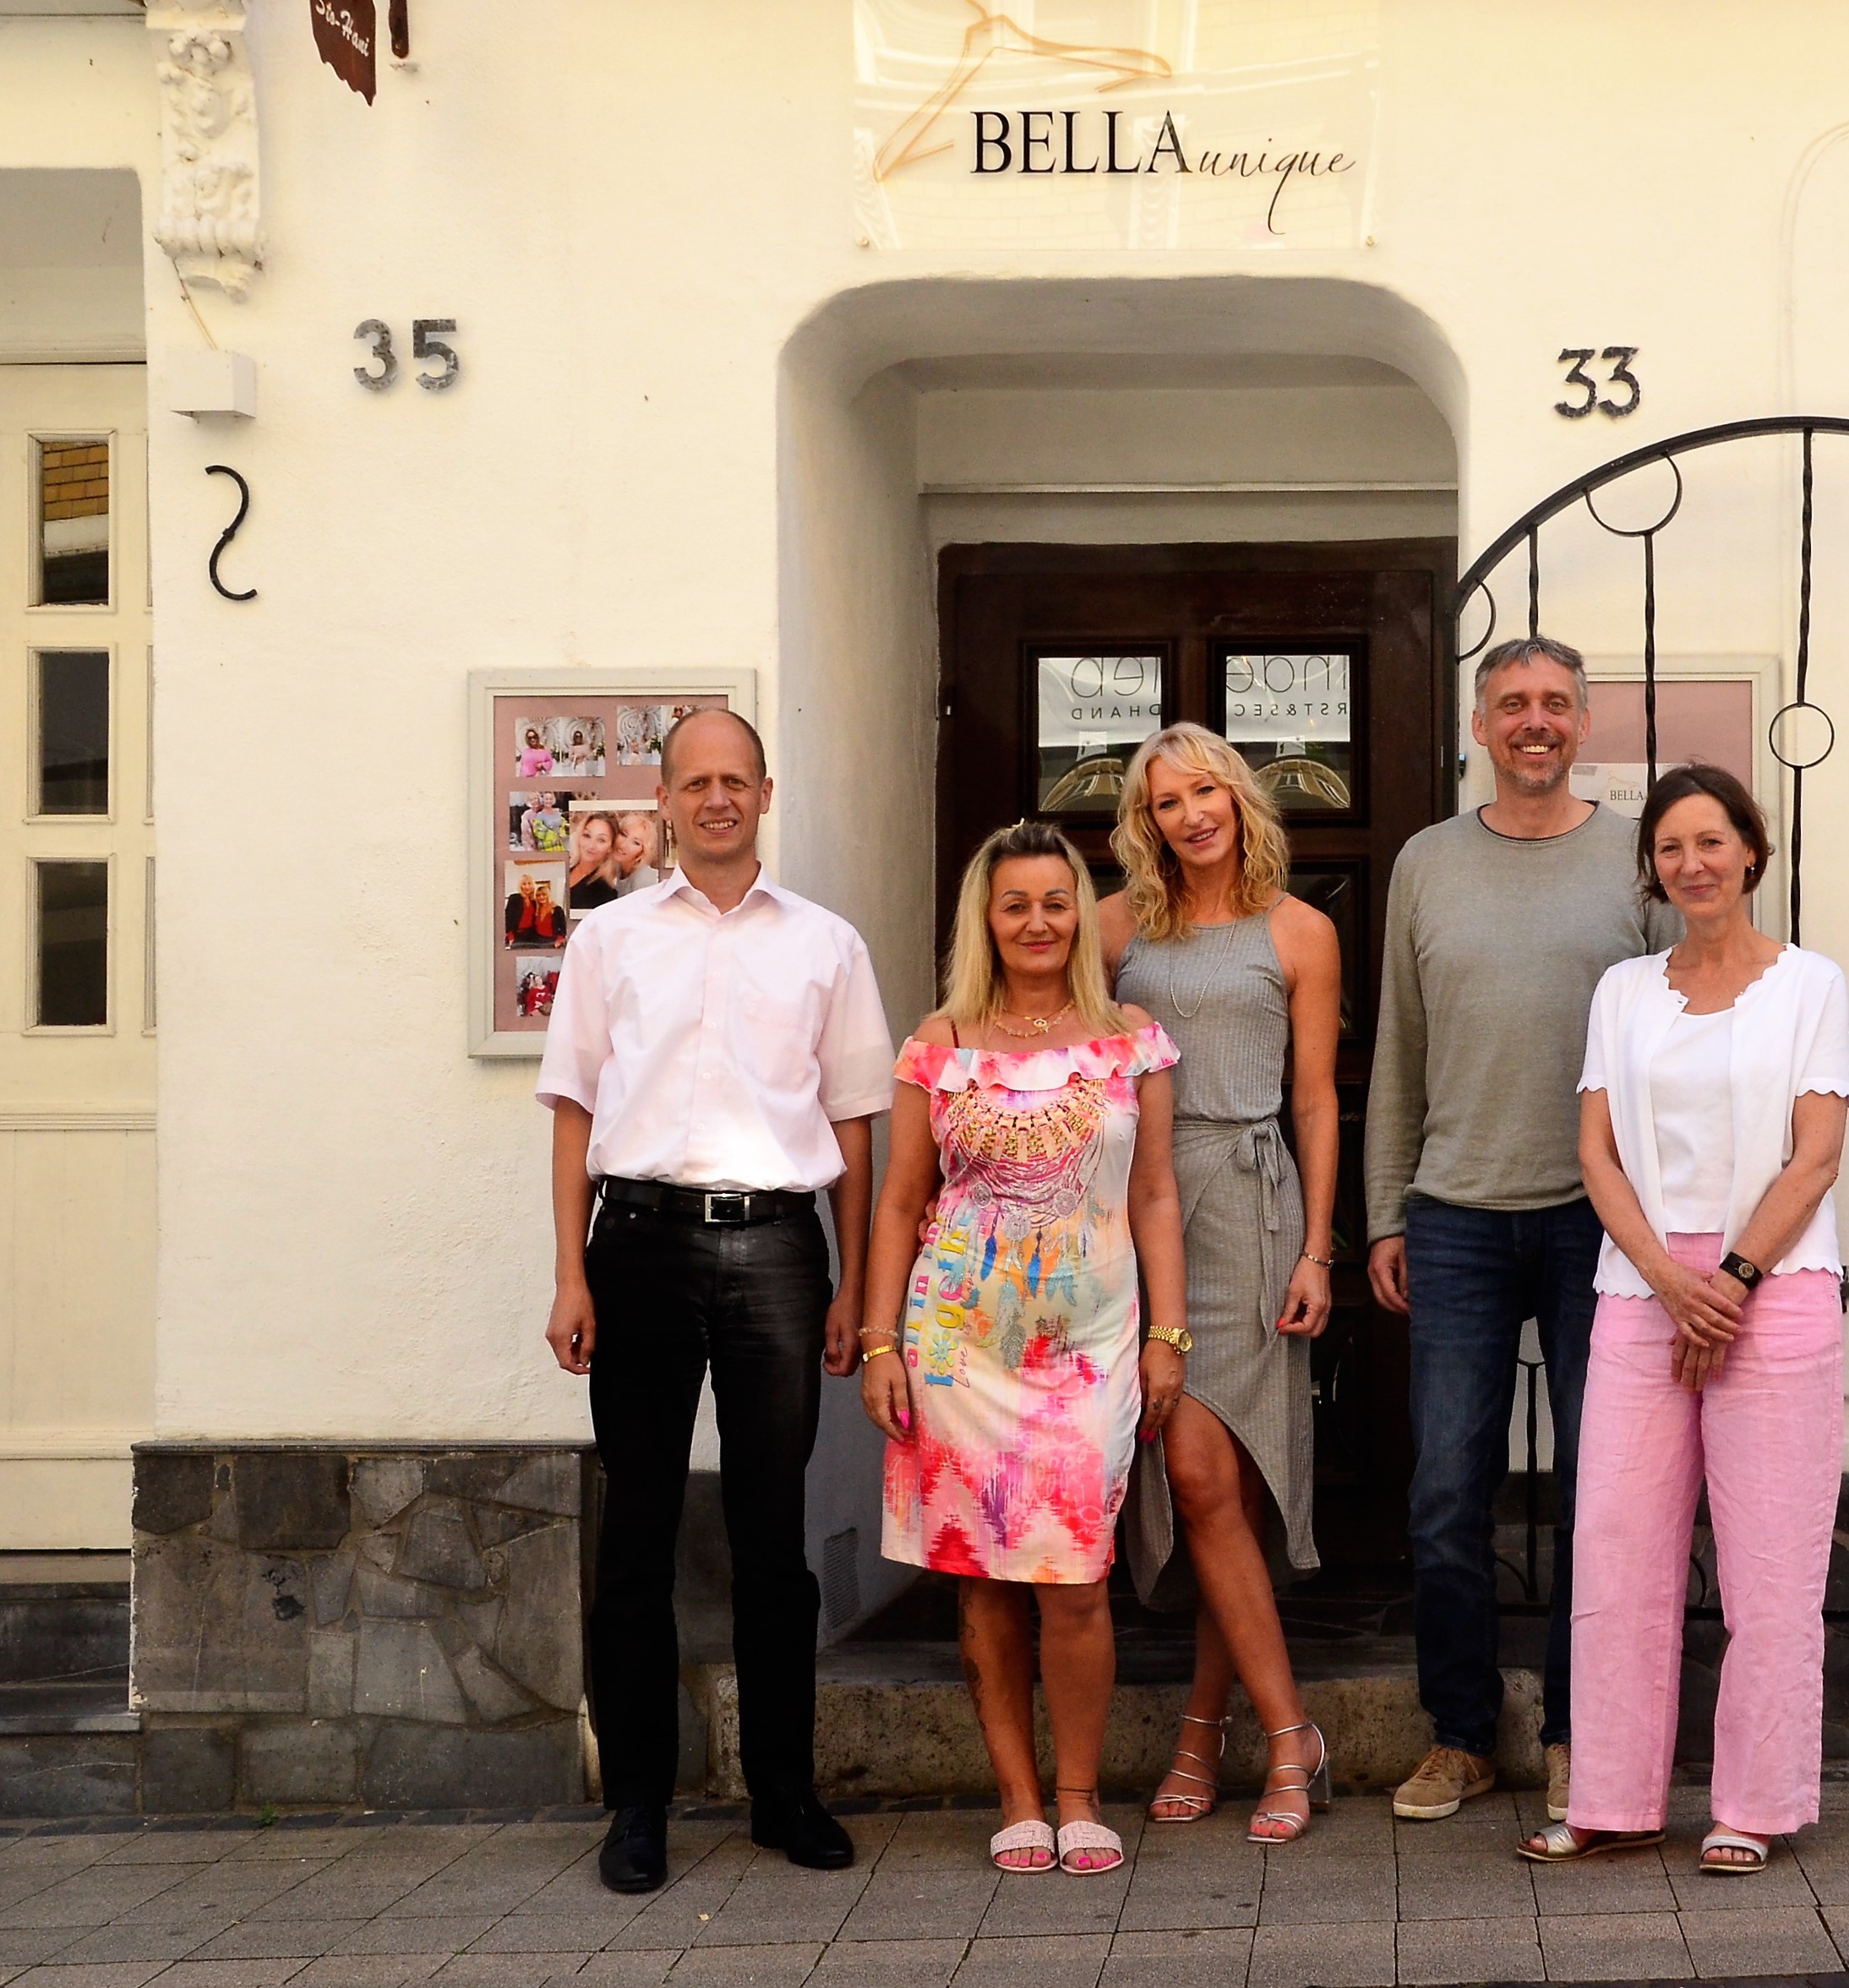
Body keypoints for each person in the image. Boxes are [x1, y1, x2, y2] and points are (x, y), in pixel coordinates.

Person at [536, 708, 892, 1893]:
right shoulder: (609, 938)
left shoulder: (826, 945)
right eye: (697, 782)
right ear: (668, 799)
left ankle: (782, 1790)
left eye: (736, 779)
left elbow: (854, 1119)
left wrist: (848, 1283)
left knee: (768, 1536)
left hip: (779, 1253)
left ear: (765, 792)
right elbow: (573, 1109)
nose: (718, 798)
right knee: (635, 1529)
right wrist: (568, 1270)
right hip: (634, 1243)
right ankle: (638, 1802)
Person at [1363, 635, 1680, 1824]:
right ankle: (1460, 1735)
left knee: (1600, 1492)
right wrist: (1385, 1209)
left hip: (1601, 1223)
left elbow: (1677, 1046)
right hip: (1452, 1216)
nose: (1534, 721)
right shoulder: (1424, 863)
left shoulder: (1633, 861)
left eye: (1554, 703)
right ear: (1481, 727)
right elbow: (1400, 1044)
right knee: (1447, 1491)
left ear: (1582, 721)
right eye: (1512, 704)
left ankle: (1577, 1735)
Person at [1519, 763, 1849, 1874]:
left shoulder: (1811, 985)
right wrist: (1671, 1281)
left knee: (1770, 1570)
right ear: (1653, 870)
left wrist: (1736, 1281)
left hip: (1777, 1294)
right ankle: (1613, 1801)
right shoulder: (1622, 991)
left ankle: (1752, 1807)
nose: (1692, 864)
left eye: (1711, 842)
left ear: (1750, 853)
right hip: (1642, 1293)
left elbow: (1816, 1156)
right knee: (1616, 1555)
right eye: (1670, 848)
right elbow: (1593, 1154)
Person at [857, 820, 1190, 1878]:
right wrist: (878, 1342)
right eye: (1015, 905)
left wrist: (1169, 1335)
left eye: (1055, 901)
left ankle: (1081, 1792)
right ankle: (1016, 1795)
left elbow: (1155, 1194)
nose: (1037, 921)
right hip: (957, 1346)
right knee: (984, 1577)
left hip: (1091, 1352)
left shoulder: (1131, 1036)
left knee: (1077, 1574)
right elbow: (900, 1198)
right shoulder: (939, 1041)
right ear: (986, 920)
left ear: (1077, 913)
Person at [1099, 724, 1341, 1844]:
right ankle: (1253, 1728)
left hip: (1252, 1204)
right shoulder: (1116, 929)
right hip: (1144, 1205)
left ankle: (1246, 1734)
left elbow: (1318, 1101)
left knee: (1219, 1481)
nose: (1189, 814)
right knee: (1203, 1482)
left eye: (1204, 791)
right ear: (1144, 825)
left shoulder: (1299, 930)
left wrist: (1317, 1248)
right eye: (1164, 803)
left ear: (1238, 798)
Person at [565, 813, 621, 913]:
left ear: (611, 847)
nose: (591, 845)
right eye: (587, 835)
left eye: (601, 840)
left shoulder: (606, 894)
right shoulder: (566, 866)